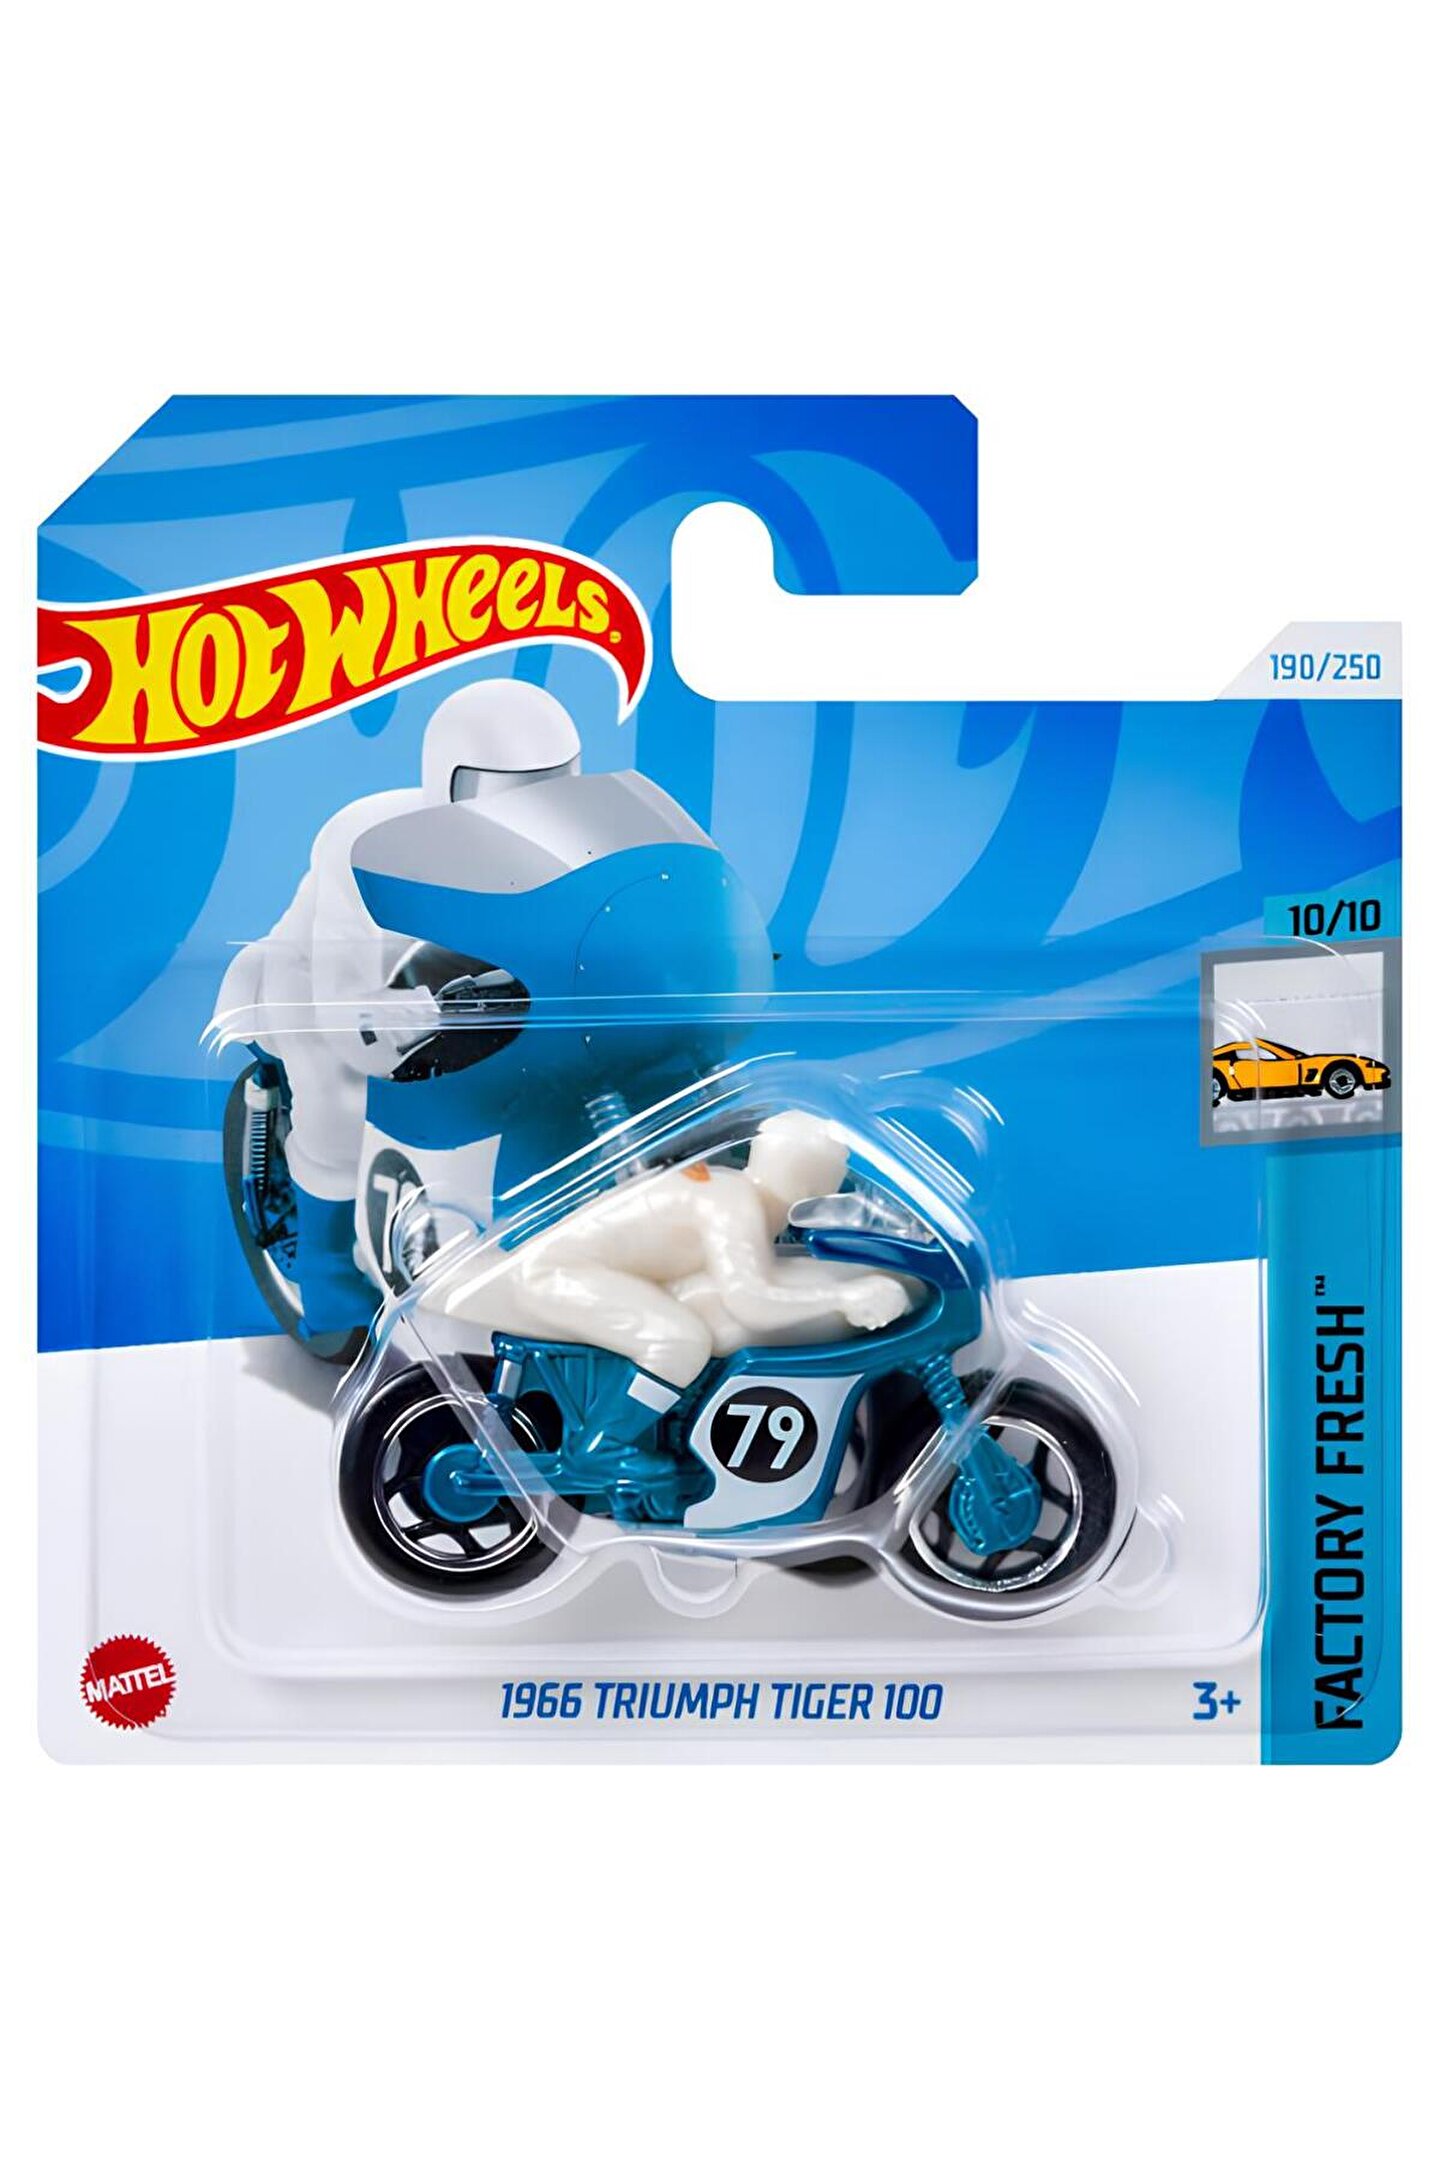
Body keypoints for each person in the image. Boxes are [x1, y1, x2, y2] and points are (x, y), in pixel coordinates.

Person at [213, 678, 583, 1333]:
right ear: (446, 777)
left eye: (550, 785)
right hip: (323, 981)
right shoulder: (364, 839)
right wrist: (391, 1012)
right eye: (501, 788)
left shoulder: (571, 844)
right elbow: (343, 978)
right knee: (340, 1094)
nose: (524, 807)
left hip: (471, 996)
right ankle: (327, 1275)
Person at [434, 1110, 916, 1464]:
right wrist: (843, 1297)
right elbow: (751, 1302)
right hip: (558, 1275)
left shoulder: (733, 1188)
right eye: (828, 1183)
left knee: (690, 1327)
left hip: (570, 1268)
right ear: (810, 1180)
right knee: (680, 1341)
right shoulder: (734, 1202)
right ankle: (606, 1447)